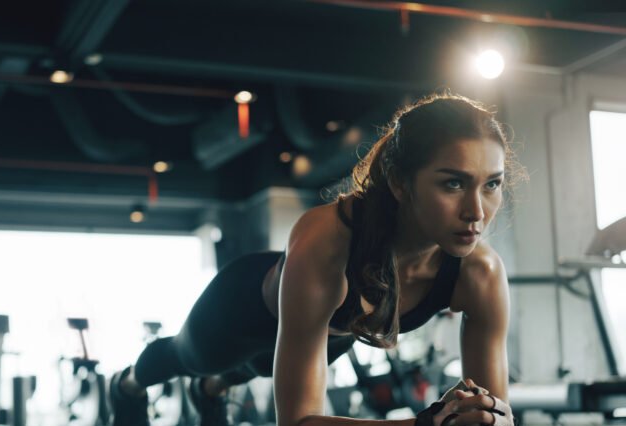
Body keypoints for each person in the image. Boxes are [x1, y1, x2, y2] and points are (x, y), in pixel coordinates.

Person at [109, 93, 522, 426]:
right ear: (399, 182)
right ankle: (125, 385)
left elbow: (490, 414)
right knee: (185, 358)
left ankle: (210, 392)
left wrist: (490, 418)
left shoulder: (480, 274)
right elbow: (298, 422)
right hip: (241, 313)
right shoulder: (326, 240)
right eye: (453, 183)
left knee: (255, 371)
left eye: (492, 185)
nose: (477, 211)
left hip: (328, 336)